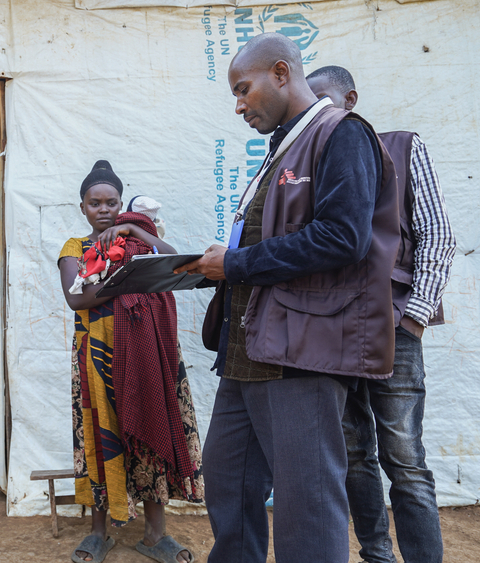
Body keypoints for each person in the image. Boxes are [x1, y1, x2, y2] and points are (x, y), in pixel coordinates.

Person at [176, 33, 399, 562]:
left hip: (299, 352)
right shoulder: (286, 142)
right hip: (248, 348)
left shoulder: (341, 133)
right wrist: (218, 262)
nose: (238, 105)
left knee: (307, 504)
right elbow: (269, 236)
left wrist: (235, 263)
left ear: (281, 73)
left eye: (242, 88)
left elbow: (343, 238)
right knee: (229, 483)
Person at [308, 65, 456, 563]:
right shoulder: (308, 158)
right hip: (335, 333)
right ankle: (377, 555)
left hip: (395, 325)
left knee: (405, 459)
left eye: (324, 100)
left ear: (350, 98)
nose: (315, 112)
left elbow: (438, 235)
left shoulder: (403, 146)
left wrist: (413, 316)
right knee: (352, 455)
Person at [58, 161, 204, 563]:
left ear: (121, 204)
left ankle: (155, 535)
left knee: (150, 437)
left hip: (147, 353)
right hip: (97, 359)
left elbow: (177, 262)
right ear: (82, 207)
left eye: (112, 202)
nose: (103, 209)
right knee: (102, 438)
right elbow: (78, 298)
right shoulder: (75, 248)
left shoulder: (137, 243)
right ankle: (99, 533)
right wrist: (132, 276)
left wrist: (137, 232)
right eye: (94, 203)